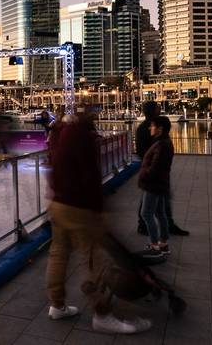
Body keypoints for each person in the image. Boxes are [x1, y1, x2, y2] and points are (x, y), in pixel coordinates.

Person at [46, 113, 149, 334]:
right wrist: (98, 210)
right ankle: (102, 313)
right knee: (94, 259)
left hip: (58, 203)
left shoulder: (61, 135)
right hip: (78, 208)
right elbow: (90, 177)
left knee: (59, 253)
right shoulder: (83, 139)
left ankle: (57, 304)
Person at [135, 102, 189, 237]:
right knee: (154, 201)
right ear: (152, 111)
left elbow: (141, 150)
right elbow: (148, 151)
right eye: (158, 108)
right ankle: (152, 230)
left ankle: (163, 227)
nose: (160, 110)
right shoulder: (151, 128)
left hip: (154, 171)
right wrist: (150, 169)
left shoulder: (144, 127)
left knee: (159, 201)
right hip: (155, 172)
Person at [138, 116, 175, 259]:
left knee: (146, 213)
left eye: (152, 125)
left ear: (160, 128)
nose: (149, 127)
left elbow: (155, 168)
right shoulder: (163, 142)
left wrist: (143, 175)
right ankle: (163, 244)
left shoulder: (161, 145)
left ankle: (155, 246)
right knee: (160, 213)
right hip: (160, 183)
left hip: (153, 185)